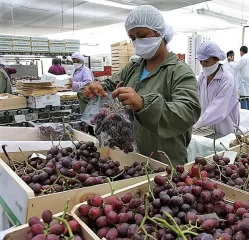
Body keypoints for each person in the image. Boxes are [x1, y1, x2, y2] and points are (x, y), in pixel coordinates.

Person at [77, 5, 201, 165]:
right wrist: (94, 89)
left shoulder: (179, 72)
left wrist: (143, 104)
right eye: (133, 37)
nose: (137, 42)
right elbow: (108, 85)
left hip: (164, 162)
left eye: (142, 35)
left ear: (160, 32)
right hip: (128, 158)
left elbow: (187, 111)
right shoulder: (133, 68)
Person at [194, 42, 239, 136]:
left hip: (224, 129)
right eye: (201, 61)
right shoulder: (202, 77)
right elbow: (196, 99)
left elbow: (219, 106)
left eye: (206, 61)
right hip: (207, 129)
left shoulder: (227, 79)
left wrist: (200, 122)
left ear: (217, 59)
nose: (203, 65)